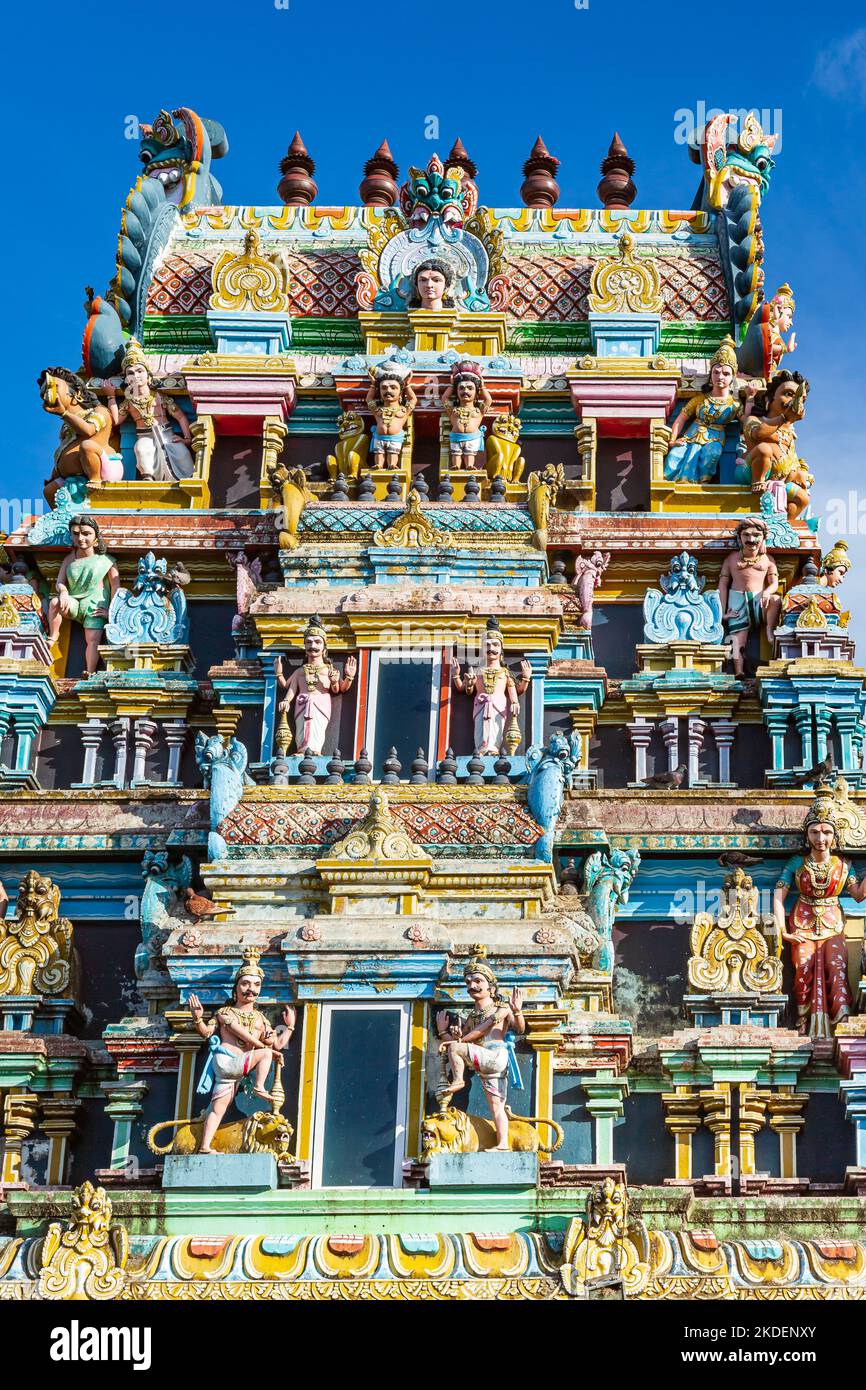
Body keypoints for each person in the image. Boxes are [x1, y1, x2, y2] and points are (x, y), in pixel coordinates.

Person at [773, 792, 866, 1038]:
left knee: (836, 969)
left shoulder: (844, 865)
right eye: (815, 832)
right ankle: (803, 1022)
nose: (821, 838)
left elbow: (858, 895)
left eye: (826, 832)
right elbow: (778, 895)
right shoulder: (796, 862)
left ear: (834, 836)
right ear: (807, 835)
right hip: (801, 924)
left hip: (833, 925)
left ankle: (842, 1022)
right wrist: (783, 932)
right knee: (803, 970)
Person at [188, 950, 296, 1155]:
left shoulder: (260, 1020)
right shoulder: (225, 1012)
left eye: (256, 985)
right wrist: (197, 1019)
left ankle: (204, 1147)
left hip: (237, 1068)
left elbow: (278, 1045)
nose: (251, 990)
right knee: (264, 1054)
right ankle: (258, 1087)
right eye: (245, 983)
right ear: (236, 988)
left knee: (219, 1107)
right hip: (226, 1062)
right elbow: (208, 1032)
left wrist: (289, 1027)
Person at [435, 956, 525, 1150]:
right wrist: (444, 1032)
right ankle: (502, 1145)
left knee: (456, 1048)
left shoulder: (500, 1008)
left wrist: (517, 1012)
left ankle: (459, 1080)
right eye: (468, 982)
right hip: (485, 1062)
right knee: (496, 1107)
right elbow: (456, 1042)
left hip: (495, 1056)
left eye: (478, 981)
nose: (472, 986)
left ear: (491, 985)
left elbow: (516, 1029)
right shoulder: (472, 1016)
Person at [664, 337, 757, 483]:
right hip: (691, 436)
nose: (720, 377)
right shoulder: (701, 399)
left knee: (712, 454)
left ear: (733, 377)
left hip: (715, 437)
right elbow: (681, 418)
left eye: (726, 373)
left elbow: (747, 421)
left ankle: (700, 484)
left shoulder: (734, 404)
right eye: (716, 372)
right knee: (674, 456)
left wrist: (750, 398)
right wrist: (672, 440)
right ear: (710, 374)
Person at [105, 339, 195, 481]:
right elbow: (116, 420)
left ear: (148, 375)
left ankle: (189, 479)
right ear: (126, 379)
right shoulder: (129, 401)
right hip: (144, 436)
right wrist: (110, 395)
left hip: (166, 434)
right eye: (131, 373)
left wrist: (187, 439)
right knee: (141, 450)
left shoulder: (159, 396)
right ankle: (149, 480)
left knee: (182, 453)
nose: (136, 376)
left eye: (140, 371)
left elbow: (181, 417)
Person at [46, 515, 120, 676]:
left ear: (95, 536)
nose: (81, 538)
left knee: (92, 640)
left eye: (86, 533)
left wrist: (111, 612)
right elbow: (60, 582)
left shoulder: (106, 560)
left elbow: (115, 586)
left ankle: (90, 671)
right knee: (54, 603)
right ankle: (53, 635)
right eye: (76, 534)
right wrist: (64, 592)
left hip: (95, 604)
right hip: (73, 601)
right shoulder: (69, 559)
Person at [274, 616, 356, 755]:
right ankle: (302, 749)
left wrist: (348, 676)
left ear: (324, 648)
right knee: (303, 727)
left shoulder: (328, 669)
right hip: (302, 703)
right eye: (309, 642)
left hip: (320, 704)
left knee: (316, 728)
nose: (313, 646)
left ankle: (315, 750)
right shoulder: (300, 671)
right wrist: (279, 675)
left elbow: (339, 689)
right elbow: (289, 687)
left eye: (318, 642)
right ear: (305, 647)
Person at [451, 618, 530, 755]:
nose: (491, 649)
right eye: (487, 645)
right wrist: (457, 676)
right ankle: (481, 749)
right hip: (480, 705)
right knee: (480, 728)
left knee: (496, 728)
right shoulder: (476, 671)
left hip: (498, 705)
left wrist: (526, 678)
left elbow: (517, 690)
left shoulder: (505, 673)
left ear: (501, 649)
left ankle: (493, 749)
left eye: (495, 645)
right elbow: (463, 689)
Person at [717, 518, 781, 676]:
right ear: (740, 537)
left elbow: (774, 583)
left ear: (763, 538)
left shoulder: (767, 560)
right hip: (737, 601)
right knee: (738, 640)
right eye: (746, 535)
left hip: (760, 599)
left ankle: (769, 630)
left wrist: (767, 592)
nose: (751, 539)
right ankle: (739, 671)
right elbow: (722, 585)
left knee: (776, 599)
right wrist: (722, 612)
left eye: (756, 535)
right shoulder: (731, 559)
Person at [441, 362, 492, 469]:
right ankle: (456, 465)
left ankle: (469, 465)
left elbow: (488, 400)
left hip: (472, 437)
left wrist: (482, 387)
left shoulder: (479, 411)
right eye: (461, 388)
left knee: (470, 453)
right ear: (457, 391)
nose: (465, 391)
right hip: (456, 436)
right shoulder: (453, 411)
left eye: (470, 388)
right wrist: (451, 385)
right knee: (456, 453)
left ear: (476, 392)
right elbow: (444, 399)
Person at [365, 368, 418, 470]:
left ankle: (392, 465)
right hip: (379, 437)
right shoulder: (377, 410)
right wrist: (373, 385)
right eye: (384, 388)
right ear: (379, 391)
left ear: (400, 392)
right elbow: (369, 399)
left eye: (393, 388)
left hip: (395, 438)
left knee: (393, 453)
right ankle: (379, 465)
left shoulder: (403, 410)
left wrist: (407, 385)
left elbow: (413, 399)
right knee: (378, 453)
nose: (388, 391)